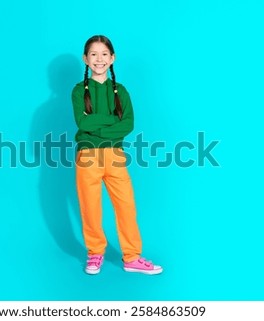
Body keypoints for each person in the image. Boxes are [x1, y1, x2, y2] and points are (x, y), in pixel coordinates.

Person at [71, 35, 163, 275]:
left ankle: (132, 257)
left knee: (126, 206)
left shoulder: (120, 91)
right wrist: (112, 121)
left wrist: (95, 126)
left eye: (104, 54)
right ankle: (94, 253)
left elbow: (128, 123)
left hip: (115, 155)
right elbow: (82, 121)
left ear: (112, 58)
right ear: (85, 59)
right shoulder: (79, 91)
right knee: (90, 207)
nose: (99, 59)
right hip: (88, 156)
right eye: (93, 54)